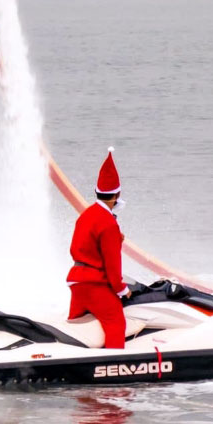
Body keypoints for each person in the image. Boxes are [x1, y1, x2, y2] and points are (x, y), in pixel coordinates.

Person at [66, 147, 130, 349]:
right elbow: (112, 265)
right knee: (116, 322)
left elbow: (81, 247)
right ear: (116, 195)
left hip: (76, 281)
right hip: (94, 283)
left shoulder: (86, 215)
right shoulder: (109, 223)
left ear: (96, 192)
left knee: (76, 328)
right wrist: (122, 290)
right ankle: (114, 366)